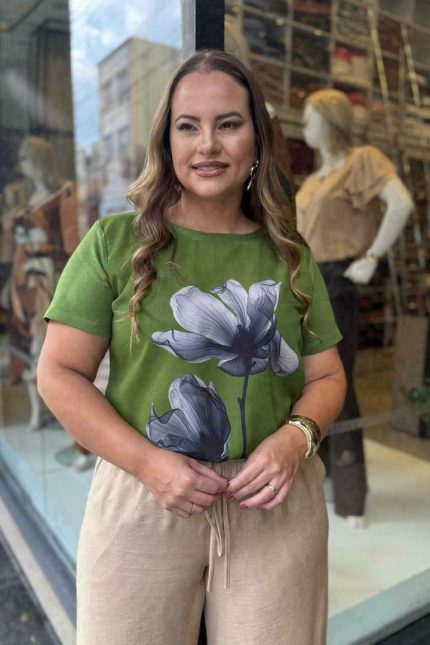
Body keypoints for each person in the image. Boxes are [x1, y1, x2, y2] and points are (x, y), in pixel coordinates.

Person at [37, 50, 346, 645]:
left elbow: (327, 377)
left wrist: (295, 439)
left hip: (272, 503)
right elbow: (59, 373)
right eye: (188, 126)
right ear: (166, 140)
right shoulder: (114, 243)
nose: (208, 145)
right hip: (142, 495)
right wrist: (149, 465)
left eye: (228, 124)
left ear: (256, 139)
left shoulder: (289, 256)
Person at [296, 89, 413, 527]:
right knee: (306, 383)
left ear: (330, 120)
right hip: (305, 284)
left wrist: (372, 257)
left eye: (308, 118)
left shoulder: (361, 160)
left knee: (337, 383)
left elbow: (401, 203)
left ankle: (351, 497)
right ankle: (322, 476)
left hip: (337, 280)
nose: (303, 126)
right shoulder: (312, 182)